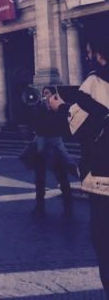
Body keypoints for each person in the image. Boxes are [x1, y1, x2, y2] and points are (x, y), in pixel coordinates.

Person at [49, 38, 109, 295]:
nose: (87, 58)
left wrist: (59, 106)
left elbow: (78, 125)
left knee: (105, 242)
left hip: (104, 178)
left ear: (99, 56)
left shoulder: (96, 83)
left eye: (89, 53)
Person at [30, 86, 74, 216]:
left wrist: (52, 109)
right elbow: (34, 123)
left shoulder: (58, 108)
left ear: (54, 95)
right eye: (43, 93)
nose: (45, 96)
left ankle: (68, 207)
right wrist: (37, 108)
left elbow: (61, 123)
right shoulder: (39, 107)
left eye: (47, 93)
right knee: (39, 177)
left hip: (54, 143)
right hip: (42, 143)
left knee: (62, 175)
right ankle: (39, 206)